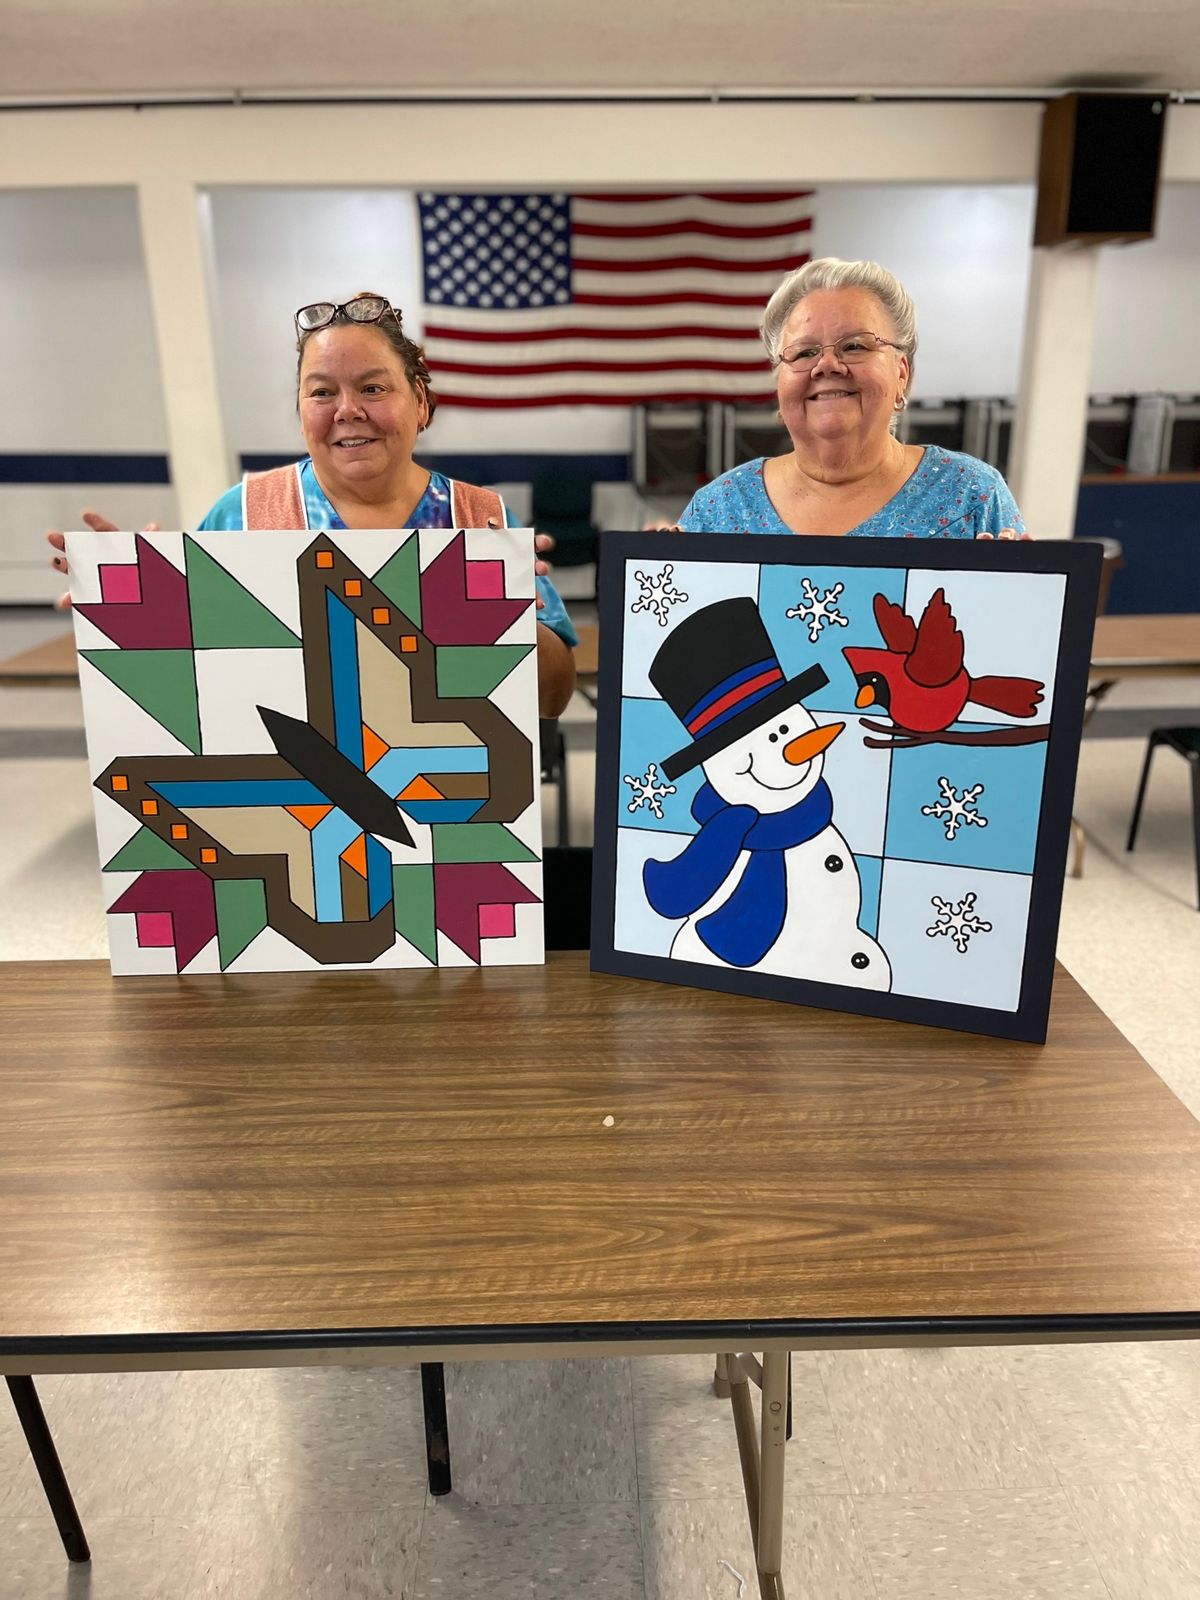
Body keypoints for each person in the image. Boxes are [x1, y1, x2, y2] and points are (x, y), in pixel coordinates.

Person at [48, 292, 576, 716]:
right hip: (282, 820)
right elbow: (182, 686)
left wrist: (509, 629)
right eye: (322, 392)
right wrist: (127, 606)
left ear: (419, 401)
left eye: (373, 388)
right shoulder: (243, 516)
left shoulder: (479, 521)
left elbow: (553, 699)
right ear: (300, 410)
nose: (347, 410)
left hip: (445, 812)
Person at [674, 258, 1026, 542]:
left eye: (855, 346)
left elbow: (1019, 626)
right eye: (803, 352)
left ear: (901, 373)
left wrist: (1024, 593)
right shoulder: (719, 508)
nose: (826, 364)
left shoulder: (972, 495)